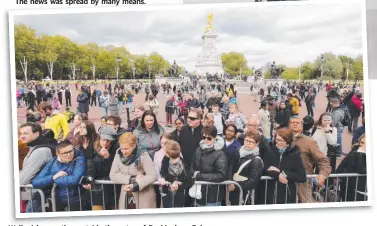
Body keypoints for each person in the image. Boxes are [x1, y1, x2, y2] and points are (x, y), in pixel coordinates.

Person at [31, 140, 87, 212]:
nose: (69, 154)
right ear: (58, 154)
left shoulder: (80, 159)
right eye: (65, 153)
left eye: (71, 151)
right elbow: (35, 182)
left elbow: (76, 179)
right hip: (55, 201)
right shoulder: (52, 161)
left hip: (75, 201)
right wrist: (53, 176)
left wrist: (54, 180)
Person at [289, 116, 332, 203]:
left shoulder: (309, 141)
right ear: (289, 125)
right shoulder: (282, 139)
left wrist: (322, 174)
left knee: (306, 203)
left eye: (298, 123)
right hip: (285, 178)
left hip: (303, 179)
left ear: (302, 126)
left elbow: (323, 160)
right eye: (293, 122)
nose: (295, 124)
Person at [109, 132, 157, 209]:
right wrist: (131, 179)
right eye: (122, 148)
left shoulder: (143, 155)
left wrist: (137, 185)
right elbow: (113, 174)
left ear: (134, 145)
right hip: (126, 193)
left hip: (143, 195)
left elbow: (152, 175)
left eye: (126, 148)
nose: (124, 152)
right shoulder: (118, 153)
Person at [264, 128, 307, 204]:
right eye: (277, 140)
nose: (279, 143)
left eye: (282, 141)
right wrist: (277, 175)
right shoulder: (269, 151)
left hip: (287, 195)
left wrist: (283, 173)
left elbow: (302, 176)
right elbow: (264, 169)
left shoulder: (294, 155)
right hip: (268, 194)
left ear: (288, 142)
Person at [190, 125, 227, 206]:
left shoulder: (220, 153)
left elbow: (221, 175)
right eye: (204, 137)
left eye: (209, 138)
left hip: (212, 196)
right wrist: (193, 174)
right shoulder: (198, 149)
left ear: (215, 138)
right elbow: (192, 166)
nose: (206, 140)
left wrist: (200, 176)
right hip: (198, 193)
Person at [83, 126, 118, 210]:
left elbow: (116, 169)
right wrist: (89, 179)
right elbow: (90, 167)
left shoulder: (115, 149)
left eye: (108, 140)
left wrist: (108, 158)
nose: (105, 143)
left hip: (112, 188)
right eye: (103, 140)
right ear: (99, 138)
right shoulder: (92, 148)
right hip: (97, 189)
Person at [228, 131, 264, 205]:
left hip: (246, 195)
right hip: (234, 192)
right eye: (246, 140)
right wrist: (230, 182)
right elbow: (231, 168)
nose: (248, 143)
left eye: (251, 142)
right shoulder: (238, 152)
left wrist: (235, 186)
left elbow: (252, 182)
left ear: (256, 144)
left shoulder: (256, 160)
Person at [159, 140, 194, 208]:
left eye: (165, 150)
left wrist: (178, 186)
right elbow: (163, 172)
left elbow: (190, 181)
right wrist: (173, 181)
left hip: (181, 198)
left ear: (168, 153)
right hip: (167, 195)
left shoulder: (183, 165)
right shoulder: (165, 159)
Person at [336, 134, 367, 201]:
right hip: (346, 184)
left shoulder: (362, 153)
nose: (363, 146)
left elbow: (362, 170)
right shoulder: (355, 150)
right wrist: (337, 175)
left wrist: (361, 153)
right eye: (362, 142)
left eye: (367, 144)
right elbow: (344, 163)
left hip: (359, 189)